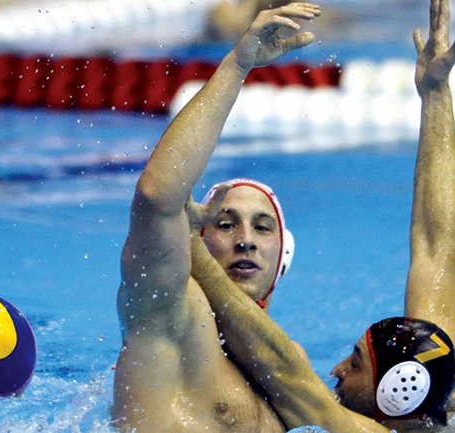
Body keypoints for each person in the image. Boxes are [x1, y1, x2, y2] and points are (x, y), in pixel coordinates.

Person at [187, 0, 455, 431]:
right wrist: (435, 96)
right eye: (226, 225)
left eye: (355, 364)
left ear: (396, 394)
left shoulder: (334, 415)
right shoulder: (421, 391)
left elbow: (281, 365)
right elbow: (435, 248)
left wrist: (186, 241)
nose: (335, 369)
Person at [111, 4, 330, 433]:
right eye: (226, 224)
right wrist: (237, 66)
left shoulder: (290, 365)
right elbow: (156, 198)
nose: (245, 240)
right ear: (195, 239)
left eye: (262, 227)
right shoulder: (171, 316)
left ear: (283, 255)